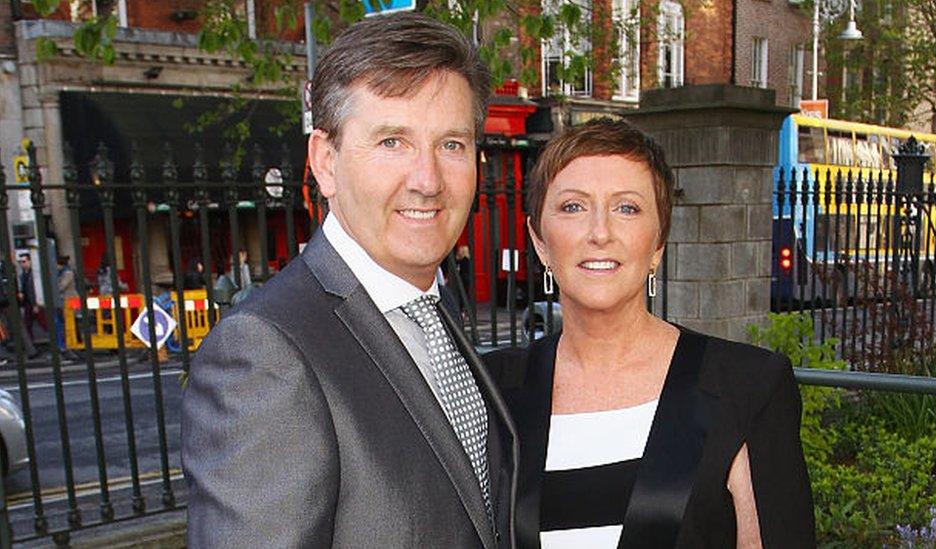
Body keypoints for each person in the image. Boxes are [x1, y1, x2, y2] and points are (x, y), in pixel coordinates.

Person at [182, 13, 517, 548]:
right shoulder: (264, 352)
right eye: (392, 142)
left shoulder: (434, 307)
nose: (427, 180)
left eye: (451, 144)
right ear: (326, 161)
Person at [486, 119, 815, 548]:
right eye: (573, 207)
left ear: (658, 242)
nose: (599, 233)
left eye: (627, 208)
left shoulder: (746, 386)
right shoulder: (493, 391)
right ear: (540, 241)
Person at [16, 253, 45, 344]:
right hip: (28, 303)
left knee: (44, 323)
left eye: (24, 261)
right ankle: (31, 343)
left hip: (35, 302)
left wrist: (36, 304)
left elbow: (35, 289)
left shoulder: (34, 274)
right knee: (27, 324)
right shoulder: (23, 275)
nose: (22, 264)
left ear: (30, 261)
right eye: (20, 262)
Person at [55, 255, 79, 353]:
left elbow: (62, 286)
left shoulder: (68, 273)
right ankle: (73, 341)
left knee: (71, 322)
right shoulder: (61, 272)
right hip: (64, 301)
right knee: (68, 322)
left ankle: (74, 342)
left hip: (70, 300)